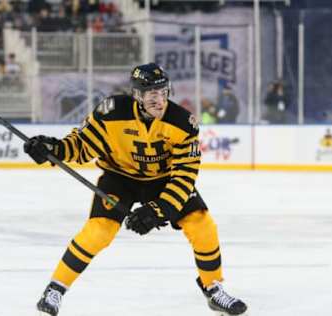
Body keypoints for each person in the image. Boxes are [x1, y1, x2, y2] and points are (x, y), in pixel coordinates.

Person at [24, 63, 248, 316]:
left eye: (163, 92)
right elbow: (83, 145)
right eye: (152, 94)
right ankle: (55, 288)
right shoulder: (111, 112)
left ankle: (214, 288)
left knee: (201, 223)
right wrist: (53, 150)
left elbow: (185, 175)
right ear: (137, 95)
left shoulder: (184, 123)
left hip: (163, 181)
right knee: (99, 231)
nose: (159, 100)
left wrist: (159, 210)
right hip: (120, 178)